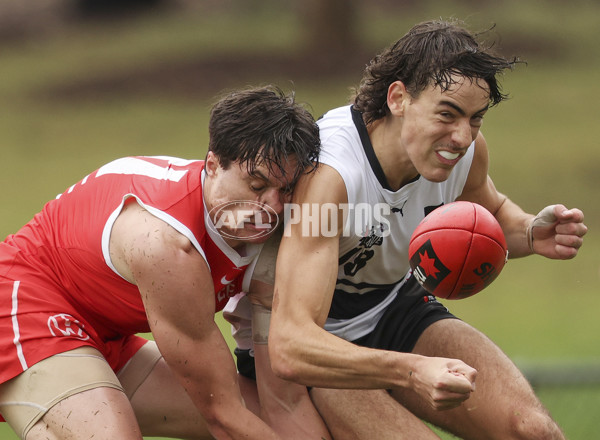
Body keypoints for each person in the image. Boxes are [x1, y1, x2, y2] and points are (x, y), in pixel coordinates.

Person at [230, 20, 587, 439]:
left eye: (475, 119)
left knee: (534, 430)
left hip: (396, 309)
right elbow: (292, 346)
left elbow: (490, 215)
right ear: (398, 98)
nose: (461, 136)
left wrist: (528, 231)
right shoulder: (332, 176)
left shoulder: (466, 152)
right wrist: (412, 371)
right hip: (321, 348)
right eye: (447, 114)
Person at [0, 86, 327, 440]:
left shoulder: (275, 224)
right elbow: (223, 414)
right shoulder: (166, 245)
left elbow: (281, 403)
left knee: (268, 417)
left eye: (285, 190)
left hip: (108, 334)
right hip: (23, 306)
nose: (271, 207)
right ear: (213, 165)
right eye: (256, 184)